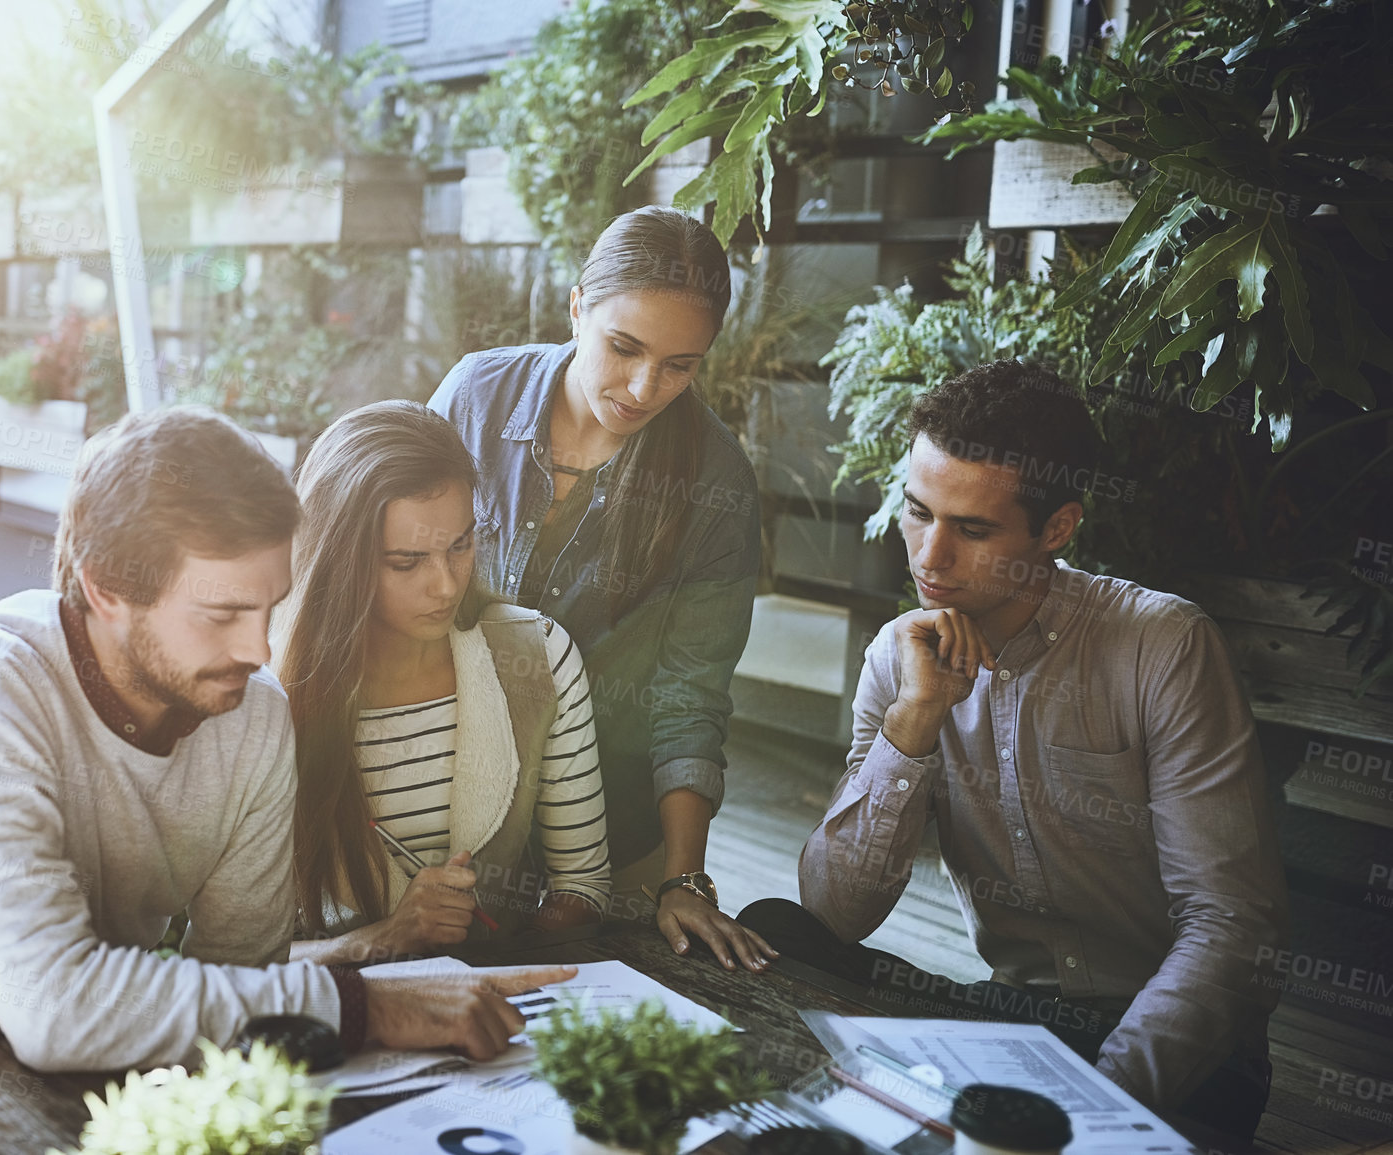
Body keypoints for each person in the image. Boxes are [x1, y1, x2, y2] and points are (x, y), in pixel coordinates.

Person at [0, 406, 571, 1072]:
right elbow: (54, 1006)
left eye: (266, 608)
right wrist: (367, 1001)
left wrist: (349, 972)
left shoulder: (254, 714)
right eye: (221, 613)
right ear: (106, 588)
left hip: (95, 1082)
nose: (258, 651)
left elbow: (243, 982)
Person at [737, 361, 1288, 1139]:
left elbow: (1231, 924)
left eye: (970, 529)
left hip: (1178, 1049)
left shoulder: (1161, 646)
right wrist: (917, 717)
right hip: (1013, 1022)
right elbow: (832, 911)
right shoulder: (900, 662)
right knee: (778, 930)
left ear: (1056, 528)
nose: (929, 557)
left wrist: (1092, 1103)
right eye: (916, 512)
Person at [430, 205, 775, 974]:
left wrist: (683, 878)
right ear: (578, 305)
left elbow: (689, 695)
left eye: (681, 365)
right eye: (623, 347)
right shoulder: (473, 397)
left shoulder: (715, 481)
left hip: (610, 839)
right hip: (443, 809)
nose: (644, 387)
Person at [276, 401, 611, 963]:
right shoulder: (266, 697)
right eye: (406, 562)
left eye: (461, 545)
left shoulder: (537, 656)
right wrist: (378, 943)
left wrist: (505, 966)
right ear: (337, 562)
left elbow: (583, 884)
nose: (445, 586)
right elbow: (225, 967)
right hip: (331, 1024)